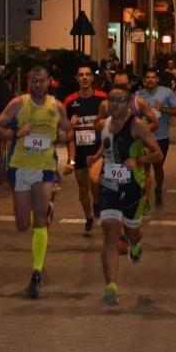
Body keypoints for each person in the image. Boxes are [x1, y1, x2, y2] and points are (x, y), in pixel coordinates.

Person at [0, 65, 71, 299]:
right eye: (34, 81)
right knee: (22, 224)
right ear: (28, 82)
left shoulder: (56, 106)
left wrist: (62, 135)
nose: (38, 85)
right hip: (20, 168)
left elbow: (67, 132)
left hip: (44, 167)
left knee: (39, 220)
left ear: (49, 82)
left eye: (42, 81)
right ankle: (47, 209)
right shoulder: (18, 104)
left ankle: (36, 273)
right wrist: (17, 133)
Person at [88, 85, 163, 305]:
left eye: (120, 100)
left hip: (132, 186)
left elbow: (157, 154)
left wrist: (138, 161)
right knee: (110, 233)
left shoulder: (137, 126)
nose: (115, 104)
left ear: (128, 102)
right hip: (110, 185)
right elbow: (107, 147)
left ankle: (136, 244)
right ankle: (110, 286)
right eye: (112, 99)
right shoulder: (104, 125)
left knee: (132, 233)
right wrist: (95, 157)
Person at [63, 62, 107, 235]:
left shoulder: (102, 98)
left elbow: (113, 124)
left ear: (92, 78)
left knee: (95, 181)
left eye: (87, 75)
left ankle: (97, 204)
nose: (84, 78)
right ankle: (89, 217)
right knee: (83, 188)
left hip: (97, 150)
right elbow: (66, 133)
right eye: (81, 75)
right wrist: (71, 159)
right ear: (77, 78)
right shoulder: (70, 101)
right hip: (79, 151)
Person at [136, 67, 176, 207]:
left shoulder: (166, 93)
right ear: (144, 80)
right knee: (145, 168)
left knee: (158, 168)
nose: (150, 80)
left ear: (157, 79)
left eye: (153, 77)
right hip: (144, 137)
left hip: (161, 137)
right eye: (147, 78)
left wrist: (164, 110)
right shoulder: (139, 95)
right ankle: (146, 199)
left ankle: (158, 188)